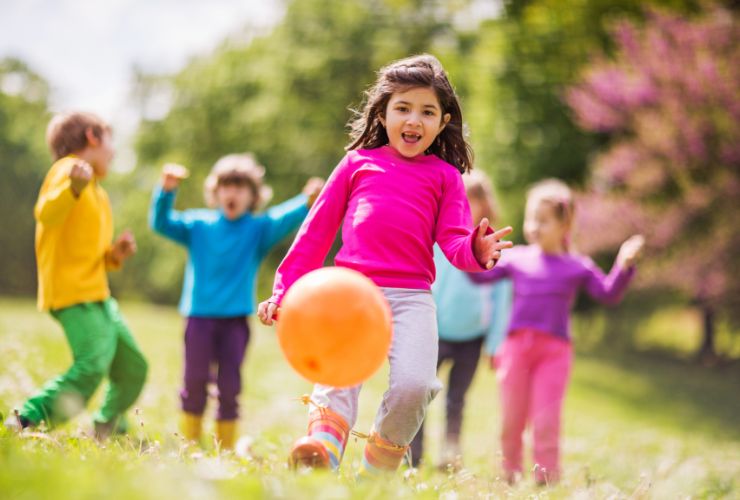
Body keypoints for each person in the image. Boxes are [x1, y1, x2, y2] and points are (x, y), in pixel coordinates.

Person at [257, 54, 513, 475]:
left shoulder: (446, 176)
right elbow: (314, 234)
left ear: (443, 121)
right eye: (403, 108)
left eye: (427, 112)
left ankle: (379, 467)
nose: (414, 120)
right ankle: (321, 450)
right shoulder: (357, 164)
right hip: (350, 294)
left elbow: (453, 242)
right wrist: (284, 290)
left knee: (416, 385)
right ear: (384, 112)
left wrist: (477, 251)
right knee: (338, 378)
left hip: (411, 298)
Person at [468, 178, 645, 485]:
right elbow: (479, 278)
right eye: (530, 218)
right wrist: (475, 252)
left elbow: (608, 293)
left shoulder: (578, 266)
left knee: (546, 421)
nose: (534, 226)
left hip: (554, 353)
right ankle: (509, 475)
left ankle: (545, 481)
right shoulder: (516, 258)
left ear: (565, 226)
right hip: (516, 350)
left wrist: (624, 265)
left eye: (543, 220)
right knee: (511, 419)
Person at [149, 155, 323, 449]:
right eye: (227, 186)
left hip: (235, 323)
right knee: (193, 383)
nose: (233, 193)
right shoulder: (198, 225)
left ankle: (224, 447)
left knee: (230, 386)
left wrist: (309, 199)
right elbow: (162, 223)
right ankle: (190, 443)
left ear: (253, 196)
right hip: (199, 319)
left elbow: (287, 216)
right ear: (215, 193)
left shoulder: (257, 229)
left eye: (241, 187)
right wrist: (166, 191)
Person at [6, 111, 147, 437]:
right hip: (72, 294)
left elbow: (88, 250)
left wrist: (114, 255)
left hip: (97, 293)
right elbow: (46, 213)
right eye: (110, 142)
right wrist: (72, 188)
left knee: (133, 367)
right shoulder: (68, 171)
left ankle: (106, 425)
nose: (113, 152)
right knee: (92, 365)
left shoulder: (97, 191)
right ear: (93, 138)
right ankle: (26, 419)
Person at [409, 169, 512, 470]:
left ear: (484, 204)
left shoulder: (492, 246)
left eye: (473, 199)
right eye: (460, 198)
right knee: (420, 394)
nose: (466, 204)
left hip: (472, 338)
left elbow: (501, 300)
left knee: (456, 400)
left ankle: (449, 455)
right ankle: (412, 454)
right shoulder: (439, 237)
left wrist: (495, 344)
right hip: (435, 332)